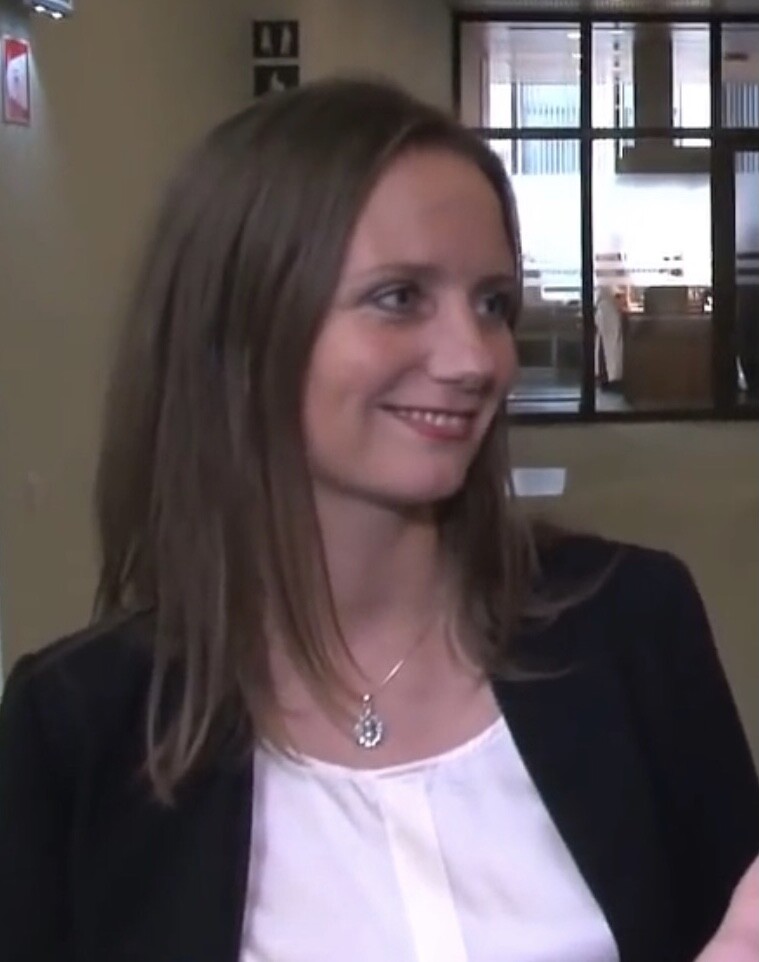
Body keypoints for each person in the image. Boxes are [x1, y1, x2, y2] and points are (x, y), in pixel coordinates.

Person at [0, 77, 757, 962]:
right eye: (398, 297)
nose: (474, 359)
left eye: (491, 303)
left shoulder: (629, 624)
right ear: (240, 327)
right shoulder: (78, 726)